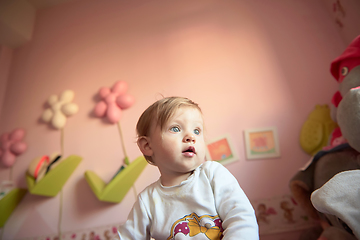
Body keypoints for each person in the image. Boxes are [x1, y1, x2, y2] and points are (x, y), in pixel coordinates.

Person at [118, 96, 259, 239]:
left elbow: (241, 218)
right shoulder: (147, 201)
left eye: (197, 131)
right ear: (147, 145)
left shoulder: (213, 175)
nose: (191, 136)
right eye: (175, 128)